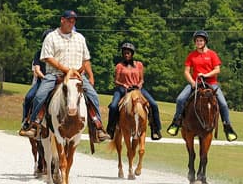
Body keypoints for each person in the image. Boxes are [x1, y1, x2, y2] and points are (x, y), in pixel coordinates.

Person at [19, 10, 110, 142]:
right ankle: (34, 125)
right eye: (69, 20)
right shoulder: (51, 37)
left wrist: (88, 74)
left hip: (77, 76)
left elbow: (86, 59)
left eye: (73, 21)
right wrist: (66, 70)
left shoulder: (80, 38)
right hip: (55, 75)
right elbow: (48, 58)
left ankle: (98, 127)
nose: (71, 23)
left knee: (93, 96)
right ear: (62, 20)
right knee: (40, 95)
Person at [166, 30, 238, 141]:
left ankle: (227, 127)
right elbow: (186, 71)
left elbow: (217, 70)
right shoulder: (192, 55)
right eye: (197, 41)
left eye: (201, 40)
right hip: (196, 83)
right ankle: (176, 123)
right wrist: (192, 83)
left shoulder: (212, 54)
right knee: (180, 99)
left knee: (223, 104)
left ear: (205, 41)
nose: (199, 42)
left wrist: (206, 75)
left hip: (211, 84)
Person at [106, 41, 163, 140]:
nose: (126, 54)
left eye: (128, 53)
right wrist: (124, 85)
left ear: (132, 54)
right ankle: (110, 130)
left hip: (137, 89)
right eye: (124, 53)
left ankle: (155, 129)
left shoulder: (139, 64)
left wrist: (139, 85)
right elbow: (116, 80)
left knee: (153, 104)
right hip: (122, 89)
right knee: (114, 106)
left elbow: (142, 79)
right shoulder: (119, 66)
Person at [20, 28, 54, 131]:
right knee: (29, 97)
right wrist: (44, 77)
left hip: (57, 80)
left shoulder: (58, 54)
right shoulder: (39, 54)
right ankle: (26, 120)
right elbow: (37, 70)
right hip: (42, 81)